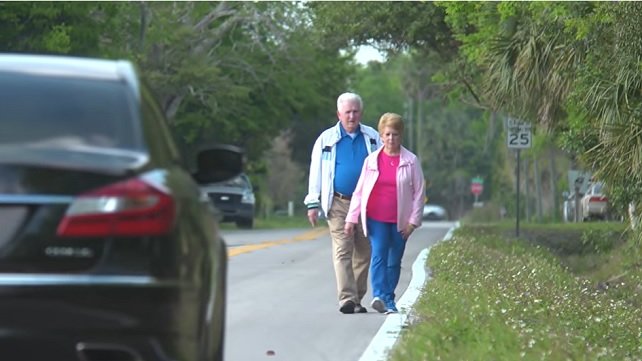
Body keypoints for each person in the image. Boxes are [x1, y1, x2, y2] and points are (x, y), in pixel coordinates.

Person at [304, 92, 382, 314]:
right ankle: (347, 298)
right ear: (339, 114)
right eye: (347, 112)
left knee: (364, 251)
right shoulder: (326, 140)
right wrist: (312, 202)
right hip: (338, 202)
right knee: (342, 249)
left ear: (361, 113)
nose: (351, 116)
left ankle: (357, 297)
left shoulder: (373, 137)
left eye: (355, 111)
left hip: (368, 204)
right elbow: (315, 173)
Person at [344, 112, 425, 314]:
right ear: (381, 136)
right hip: (376, 218)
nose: (391, 139)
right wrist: (351, 218)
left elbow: (419, 193)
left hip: (400, 220)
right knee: (379, 254)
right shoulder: (371, 161)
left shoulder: (411, 161)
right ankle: (380, 295)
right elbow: (360, 191)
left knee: (394, 260)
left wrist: (413, 222)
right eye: (387, 134)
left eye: (395, 134)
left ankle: (389, 299)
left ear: (401, 136)